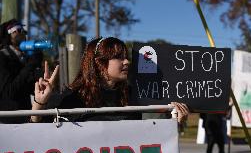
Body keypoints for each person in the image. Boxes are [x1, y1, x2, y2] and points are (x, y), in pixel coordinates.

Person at [31, 37, 189, 123]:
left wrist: (174, 122)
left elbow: (149, 137)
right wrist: (40, 103)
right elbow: (36, 135)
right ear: (99, 63)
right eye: (118, 57)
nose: (126, 62)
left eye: (126, 57)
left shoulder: (134, 96)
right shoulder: (72, 97)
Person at [0, 19, 43, 123]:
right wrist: (30, 65)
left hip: (25, 117)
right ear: (8, 35)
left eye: (23, 30)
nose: (22, 33)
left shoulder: (24, 58)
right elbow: (9, 92)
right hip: (7, 121)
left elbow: (29, 88)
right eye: (17, 30)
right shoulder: (2, 57)